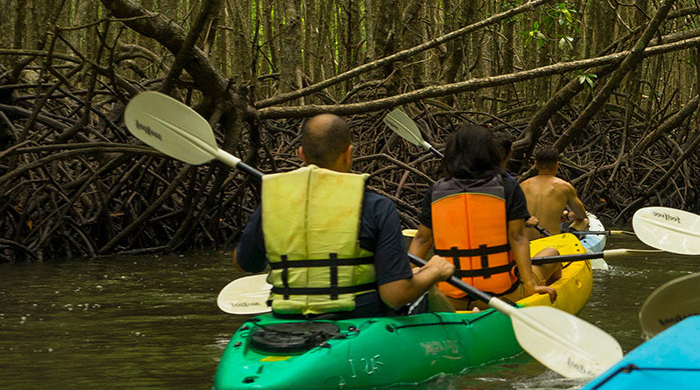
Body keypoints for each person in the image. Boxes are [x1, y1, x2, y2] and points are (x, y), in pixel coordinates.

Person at [235, 114, 456, 319]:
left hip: (286, 318)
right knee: (428, 290)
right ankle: (463, 326)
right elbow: (395, 295)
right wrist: (434, 271)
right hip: (358, 319)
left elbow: (247, 263)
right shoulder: (376, 207)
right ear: (348, 153)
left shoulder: (274, 203)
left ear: (301, 154)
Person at [411, 124, 559, 311]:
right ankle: (551, 304)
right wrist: (530, 285)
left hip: (452, 298)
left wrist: (407, 284)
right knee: (552, 254)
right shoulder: (508, 188)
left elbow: (422, 239)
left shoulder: (435, 191)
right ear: (491, 153)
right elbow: (518, 237)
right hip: (503, 295)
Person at [518, 147, 587, 281]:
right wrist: (567, 215)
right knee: (585, 222)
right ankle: (571, 236)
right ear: (556, 165)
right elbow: (581, 215)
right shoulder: (564, 186)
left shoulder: (522, 185)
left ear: (535, 165)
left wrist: (564, 215)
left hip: (526, 245)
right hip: (551, 246)